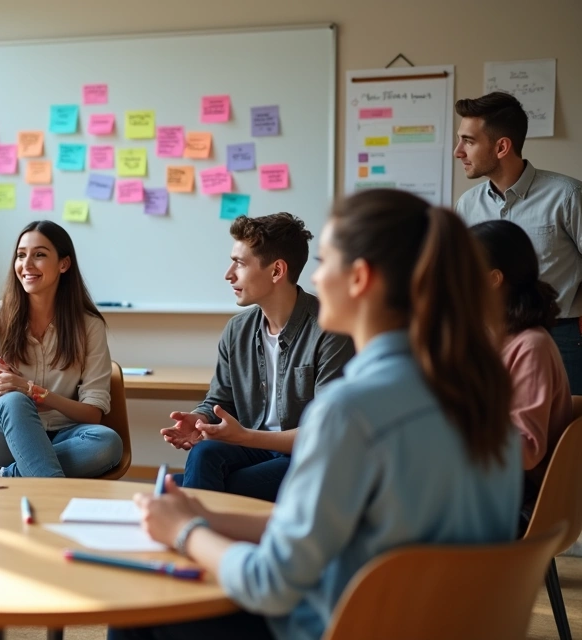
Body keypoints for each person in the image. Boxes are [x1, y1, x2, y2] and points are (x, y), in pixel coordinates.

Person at [113, 189, 523, 640]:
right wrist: (205, 516)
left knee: (137, 602)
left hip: (344, 628)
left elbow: (270, 584)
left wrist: (186, 531)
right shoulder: (482, 396)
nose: (315, 276)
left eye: (325, 262)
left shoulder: (351, 410)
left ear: (359, 278)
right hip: (442, 625)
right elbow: (332, 527)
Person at [162, 213, 353, 501]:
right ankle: (196, 507)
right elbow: (220, 401)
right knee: (204, 454)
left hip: (308, 455)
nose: (229, 274)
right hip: (254, 448)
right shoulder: (237, 330)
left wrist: (245, 437)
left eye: (239, 263)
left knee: (212, 484)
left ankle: (189, 504)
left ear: (277, 271)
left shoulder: (330, 330)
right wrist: (200, 419)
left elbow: (327, 432)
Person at [0, 220, 122, 478]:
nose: (26, 264)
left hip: (64, 434)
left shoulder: (89, 326)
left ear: (64, 264)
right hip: (3, 438)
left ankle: (9, 476)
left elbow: (92, 414)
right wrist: (8, 391)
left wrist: (33, 391)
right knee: (14, 401)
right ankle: (51, 492)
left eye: (39, 255)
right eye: (21, 255)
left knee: (108, 444)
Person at [454, 91, 582, 393]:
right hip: (487, 339)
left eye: (468, 141)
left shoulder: (568, 196)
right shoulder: (467, 204)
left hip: (559, 336)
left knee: (564, 421)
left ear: (501, 147)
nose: (458, 151)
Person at [472, 219, 572, 523]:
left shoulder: (531, 346)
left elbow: (526, 450)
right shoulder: (486, 338)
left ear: (493, 279)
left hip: (515, 498)